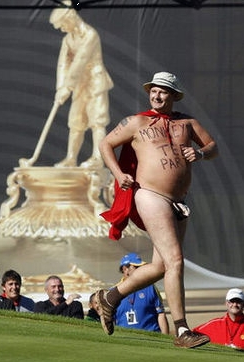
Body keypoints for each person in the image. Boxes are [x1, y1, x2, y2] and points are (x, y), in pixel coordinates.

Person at [97, 71, 218, 348]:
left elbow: (213, 147)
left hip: (179, 202)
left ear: (174, 96)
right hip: (150, 195)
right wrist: (117, 174)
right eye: (153, 90)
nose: (157, 94)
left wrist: (200, 153)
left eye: (163, 91)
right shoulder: (137, 121)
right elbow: (106, 144)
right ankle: (182, 329)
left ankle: (109, 298)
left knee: (161, 266)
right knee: (176, 260)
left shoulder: (187, 123)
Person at [49, 3, 113, 168]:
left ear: (70, 18)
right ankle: (71, 158)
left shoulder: (90, 35)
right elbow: (63, 64)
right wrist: (60, 88)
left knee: (97, 121)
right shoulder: (68, 39)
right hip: (79, 84)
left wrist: (67, 87)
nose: (62, 29)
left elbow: (80, 61)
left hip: (95, 81)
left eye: (62, 25)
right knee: (76, 121)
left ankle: (98, 158)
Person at [114, 253, 169, 334]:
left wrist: (165, 338)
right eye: (137, 267)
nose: (141, 270)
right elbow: (110, 320)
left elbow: (161, 314)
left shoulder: (150, 287)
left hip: (152, 338)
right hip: (125, 340)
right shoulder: (114, 292)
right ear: (125, 269)